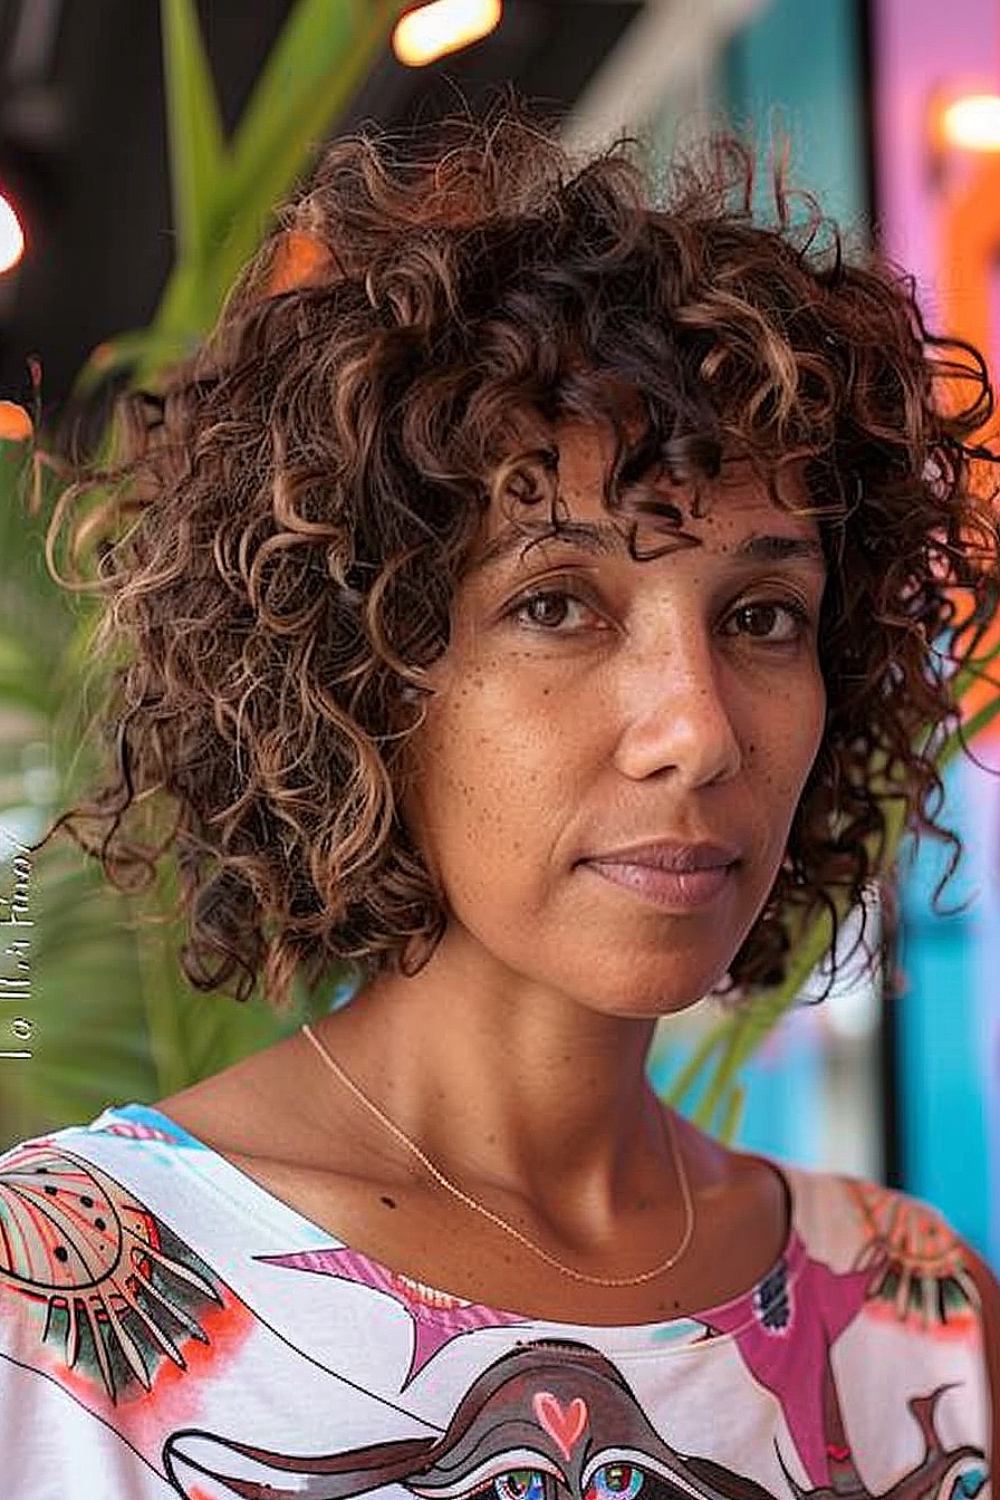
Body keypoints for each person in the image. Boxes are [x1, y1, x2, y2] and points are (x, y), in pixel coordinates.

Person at [1, 107, 997, 1498]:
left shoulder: (921, 1319)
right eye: (554, 604)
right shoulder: (58, 1311)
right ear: (363, 670)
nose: (698, 730)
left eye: (765, 616)